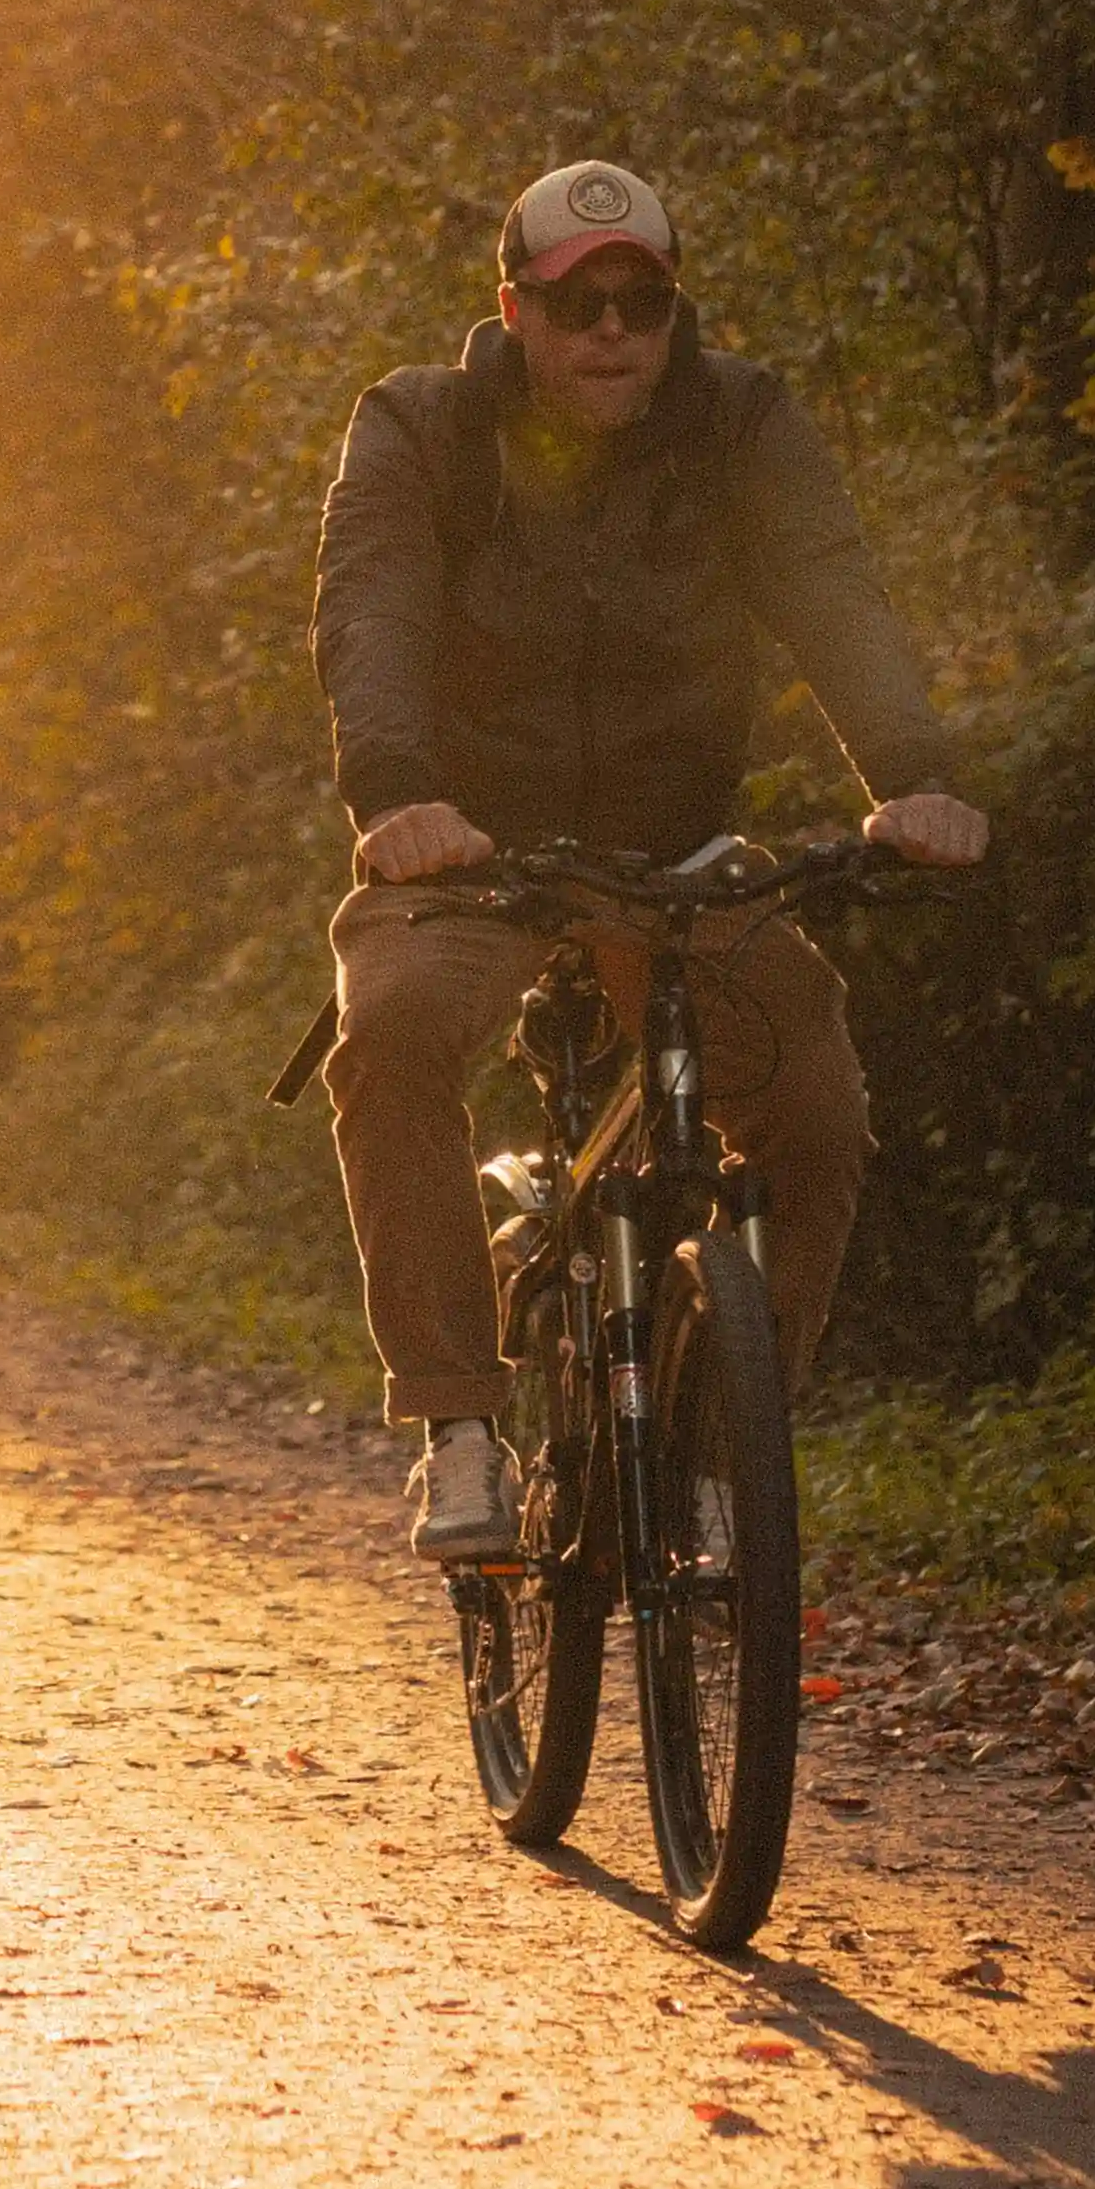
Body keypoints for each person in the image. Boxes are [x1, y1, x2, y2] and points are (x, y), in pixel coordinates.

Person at [312, 158, 990, 1561]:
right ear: (517, 309)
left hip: (677, 854)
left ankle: (719, 1423)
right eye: (577, 305)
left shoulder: (740, 423)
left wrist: (915, 781)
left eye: (643, 301)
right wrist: (397, 796)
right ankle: (456, 1425)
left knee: (813, 1109)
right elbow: (368, 612)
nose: (612, 331)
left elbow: (832, 591)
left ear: (674, 310)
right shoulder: (423, 429)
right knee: (388, 1037)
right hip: (472, 855)